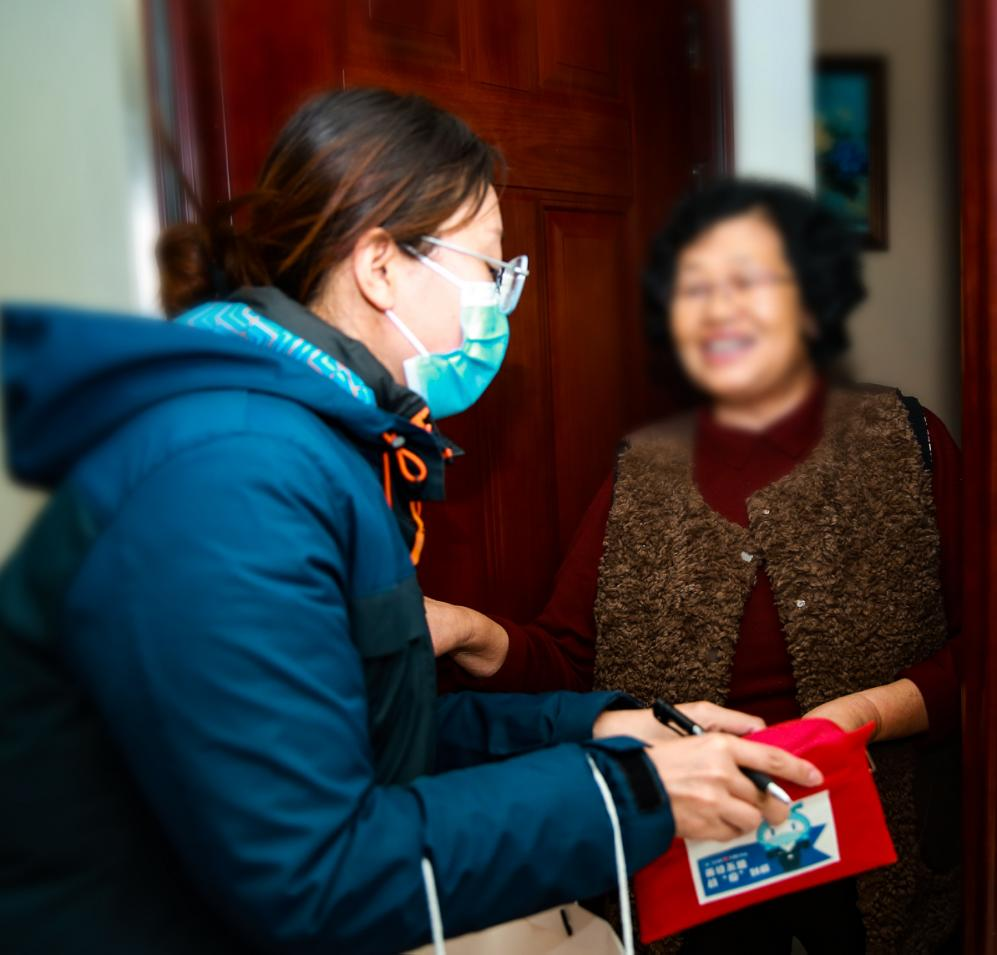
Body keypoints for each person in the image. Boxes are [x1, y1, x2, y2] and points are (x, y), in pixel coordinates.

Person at [0, 92, 821, 955]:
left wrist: (592, 730)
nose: (500, 304)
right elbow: (313, 876)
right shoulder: (234, 471)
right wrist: (630, 792)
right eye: (489, 269)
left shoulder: (324, 442)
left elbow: (371, 735)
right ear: (381, 266)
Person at [428, 179, 962, 954]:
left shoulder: (906, 441)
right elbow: (572, 664)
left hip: (878, 852)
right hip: (693, 854)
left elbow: (977, 652)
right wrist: (472, 631)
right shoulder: (642, 468)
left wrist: (863, 714)